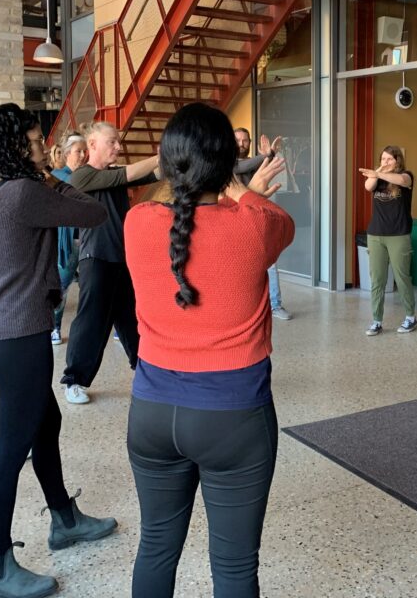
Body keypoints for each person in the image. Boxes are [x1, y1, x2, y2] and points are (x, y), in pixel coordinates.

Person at [0, 103, 117, 598]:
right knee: (8, 452)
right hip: (19, 338)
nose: (45, 147)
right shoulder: (24, 192)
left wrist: (43, 174)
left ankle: (64, 519)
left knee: (46, 424)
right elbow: (94, 211)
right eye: (38, 140)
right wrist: (50, 177)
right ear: (17, 146)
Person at [125, 103, 293, 598]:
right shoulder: (255, 223)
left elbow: (180, 212)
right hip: (232, 417)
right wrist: (244, 192)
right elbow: (275, 222)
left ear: (166, 161)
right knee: (235, 567)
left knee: (155, 545)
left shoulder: (136, 223)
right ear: (227, 164)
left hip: (151, 412)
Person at [59, 122, 159, 405]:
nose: (118, 147)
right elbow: (128, 174)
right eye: (112, 142)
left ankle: (146, 370)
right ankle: (74, 380)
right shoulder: (82, 176)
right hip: (96, 258)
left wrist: (176, 156)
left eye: (118, 142)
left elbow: (151, 174)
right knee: (91, 321)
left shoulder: (114, 175)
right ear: (92, 145)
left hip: (122, 258)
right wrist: (159, 156)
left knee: (131, 320)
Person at [234, 127, 293, 321]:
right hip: (235, 219)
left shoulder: (255, 163)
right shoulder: (227, 163)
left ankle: (275, 305)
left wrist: (269, 155)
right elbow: (240, 168)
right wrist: (266, 155)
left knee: (270, 264)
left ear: (250, 143)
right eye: (238, 140)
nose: (241, 144)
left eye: (245, 140)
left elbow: (262, 168)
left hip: (257, 218)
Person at [359, 146, 417, 336]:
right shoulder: (377, 178)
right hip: (376, 234)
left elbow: (401, 180)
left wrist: (380, 173)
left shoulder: (406, 176)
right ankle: (376, 320)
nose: (385, 162)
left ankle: (410, 317)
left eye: (389, 160)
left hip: (399, 234)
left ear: (398, 161)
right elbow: (368, 186)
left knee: (402, 277)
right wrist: (376, 173)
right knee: (377, 279)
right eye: (383, 159)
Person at [50, 133, 87, 345]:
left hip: (88, 240)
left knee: (99, 285)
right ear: (66, 154)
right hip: (70, 243)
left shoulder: (85, 174)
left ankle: (117, 326)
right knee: (61, 287)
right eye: (78, 151)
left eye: (84, 151)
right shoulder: (58, 175)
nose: (82, 155)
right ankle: (54, 327)